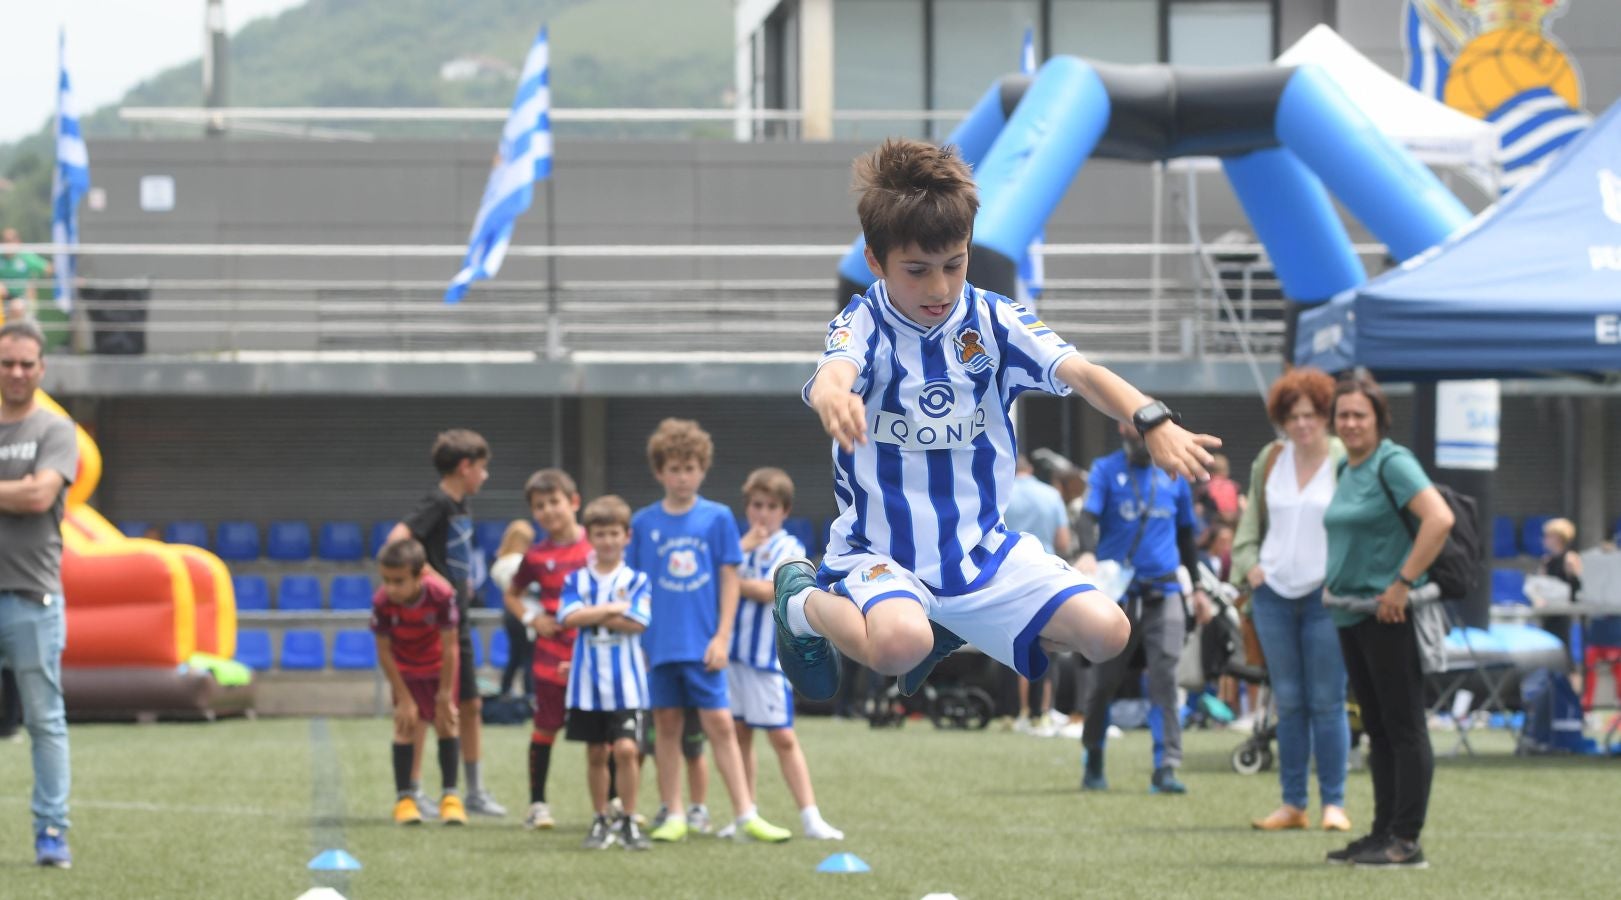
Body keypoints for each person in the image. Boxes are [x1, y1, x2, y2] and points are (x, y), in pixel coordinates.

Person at [769, 138, 1219, 769]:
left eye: (954, 265)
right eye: (918, 270)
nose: (940, 286)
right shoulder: (862, 323)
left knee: (1108, 632)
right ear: (876, 261)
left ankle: (954, 621)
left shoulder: (996, 321)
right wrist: (834, 397)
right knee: (898, 645)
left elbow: (1083, 373)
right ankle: (800, 603)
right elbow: (835, 371)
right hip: (881, 554)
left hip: (981, 552)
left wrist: (1152, 419)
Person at [626, 418, 790, 844]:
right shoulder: (643, 523)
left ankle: (745, 813)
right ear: (660, 472)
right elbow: (638, 586)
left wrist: (722, 637)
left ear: (704, 469)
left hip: (705, 644)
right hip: (660, 644)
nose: (683, 476)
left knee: (720, 723)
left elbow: (730, 580)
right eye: (675, 468)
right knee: (665, 724)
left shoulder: (717, 518)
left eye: (691, 467)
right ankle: (674, 812)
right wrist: (641, 641)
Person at [1321, 372, 1454, 869]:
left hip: (1389, 614)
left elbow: (1439, 519)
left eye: (1360, 415)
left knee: (1404, 727)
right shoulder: (1347, 468)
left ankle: (1407, 840)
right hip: (1351, 614)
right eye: (1344, 415)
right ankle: (1382, 834)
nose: (1351, 423)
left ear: (1379, 419)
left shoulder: (1392, 462)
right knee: (1377, 727)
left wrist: (1402, 582)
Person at [1229, 367, 1351, 833]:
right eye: (1294, 416)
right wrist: (1249, 567)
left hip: (1327, 597)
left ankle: (1334, 803)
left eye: (1312, 415)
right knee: (1290, 702)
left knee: (1328, 702)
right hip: (1272, 595)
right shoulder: (1271, 457)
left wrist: (1343, 577)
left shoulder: (1345, 459)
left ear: (1327, 416)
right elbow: (1250, 523)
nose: (1302, 424)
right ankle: (1293, 803)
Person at [1074, 419, 1214, 794]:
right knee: (1103, 683)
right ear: (1122, 429)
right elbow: (1087, 516)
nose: (1143, 440)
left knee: (1165, 679)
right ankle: (1094, 755)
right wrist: (1087, 551)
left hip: (1165, 591)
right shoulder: (1105, 470)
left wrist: (1197, 587)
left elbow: (1186, 536)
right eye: (1137, 432)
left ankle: (1166, 766)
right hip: (1118, 596)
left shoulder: (1174, 475)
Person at [719, 467, 843, 841]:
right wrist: (735, 561)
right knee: (738, 735)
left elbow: (769, 590)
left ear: (784, 511)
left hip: (767, 659)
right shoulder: (737, 545)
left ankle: (810, 817)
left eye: (771, 506)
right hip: (734, 656)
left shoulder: (788, 548)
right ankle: (745, 812)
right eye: (756, 505)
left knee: (783, 737)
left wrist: (732, 581)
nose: (762, 513)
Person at [387, 429, 503, 817]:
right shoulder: (437, 502)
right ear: (464, 466)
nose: (485, 476)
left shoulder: (460, 506)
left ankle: (473, 791)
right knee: (425, 709)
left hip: (459, 619)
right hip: (438, 624)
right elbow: (397, 538)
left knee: (470, 703)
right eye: (482, 468)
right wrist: (435, 581)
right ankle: (415, 789)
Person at [0, 321, 76, 868]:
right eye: (7, 363)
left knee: (45, 720)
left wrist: (25, 491)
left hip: (33, 598)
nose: (17, 372)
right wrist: (16, 488)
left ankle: (51, 831)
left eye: (27, 363)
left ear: (42, 368)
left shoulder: (56, 429)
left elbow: (38, 496)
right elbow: (22, 491)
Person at [558, 495, 654, 851]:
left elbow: (638, 623)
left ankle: (628, 818)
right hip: (586, 685)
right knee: (596, 753)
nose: (608, 541)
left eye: (614, 533)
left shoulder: (638, 579)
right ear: (589, 537)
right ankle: (600, 818)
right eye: (600, 534)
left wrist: (591, 613)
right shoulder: (575, 579)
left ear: (626, 536)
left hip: (628, 687)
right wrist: (613, 607)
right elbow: (567, 618)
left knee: (627, 750)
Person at [505, 469, 592, 831]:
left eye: (554, 501)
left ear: (573, 502)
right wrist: (531, 617)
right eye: (539, 506)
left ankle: (614, 802)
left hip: (594, 655)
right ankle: (537, 804)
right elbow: (512, 593)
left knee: (601, 733)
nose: (548, 510)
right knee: (544, 728)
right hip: (550, 656)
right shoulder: (536, 556)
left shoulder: (598, 546)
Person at [371, 538, 465, 826]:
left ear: (419, 575)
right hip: (406, 671)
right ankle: (405, 799)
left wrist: (444, 695)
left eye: (398, 581)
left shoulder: (441, 595)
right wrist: (405, 698)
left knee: (446, 723)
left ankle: (450, 797)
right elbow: (384, 651)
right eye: (386, 580)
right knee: (405, 727)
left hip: (440, 669)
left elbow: (451, 647)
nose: (391, 588)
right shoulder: (382, 603)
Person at [1004, 454, 1073, 735]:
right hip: (1043, 574)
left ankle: (1019, 712)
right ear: (1031, 469)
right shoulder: (1051, 495)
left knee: (1015, 643)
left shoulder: (1000, 491)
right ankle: (1042, 712)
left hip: (1008, 575)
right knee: (1047, 645)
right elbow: (1063, 542)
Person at [489, 519, 537, 699]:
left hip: (509, 613)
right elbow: (526, 588)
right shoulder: (520, 562)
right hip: (524, 611)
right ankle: (530, 694)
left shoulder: (500, 562)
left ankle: (505, 689)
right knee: (528, 657)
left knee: (515, 655)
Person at [1533, 518, 1581, 651]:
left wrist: (1573, 571)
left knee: (1563, 646)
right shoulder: (1546, 561)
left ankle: (1570, 671)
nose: (1545, 539)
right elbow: (1540, 585)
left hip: (1563, 612)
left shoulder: (1570, 558)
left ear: (1558, 538)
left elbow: (1577, 586)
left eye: (1548, 536)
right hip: (1548, 610)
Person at [0, 229, 52, 325]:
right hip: (2, 299)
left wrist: (34, 280)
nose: (9, 245)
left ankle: (13, 334)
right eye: (5, 241)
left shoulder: (25, 256)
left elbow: (48, 269)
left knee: (16, 307)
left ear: (18, 242)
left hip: (21, 298)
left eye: (11, 241)